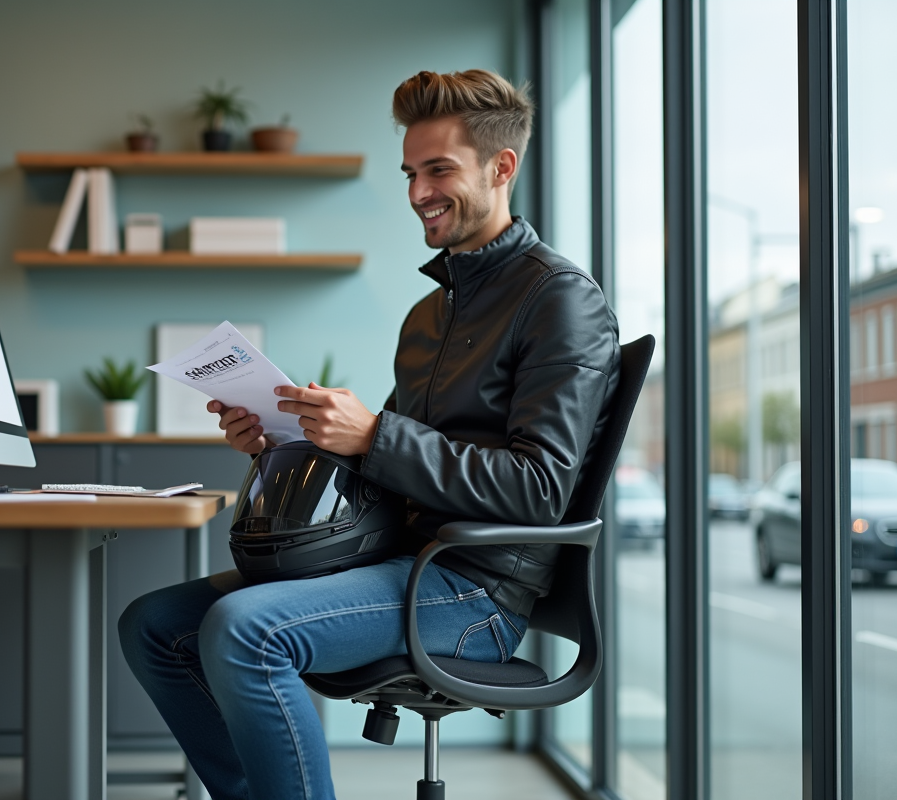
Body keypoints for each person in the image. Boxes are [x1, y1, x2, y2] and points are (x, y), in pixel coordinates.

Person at [119, 69, 621, 800]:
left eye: (438, 170)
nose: (418, 192)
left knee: (244, 629)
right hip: (399, 558)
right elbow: (384, 473)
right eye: (411, 173)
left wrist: (375, 434)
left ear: (501, 167)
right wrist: (286, 441)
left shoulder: (561, 300)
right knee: (154, 625)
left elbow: (539, 490)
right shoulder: (428, 316)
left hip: (476, 591)